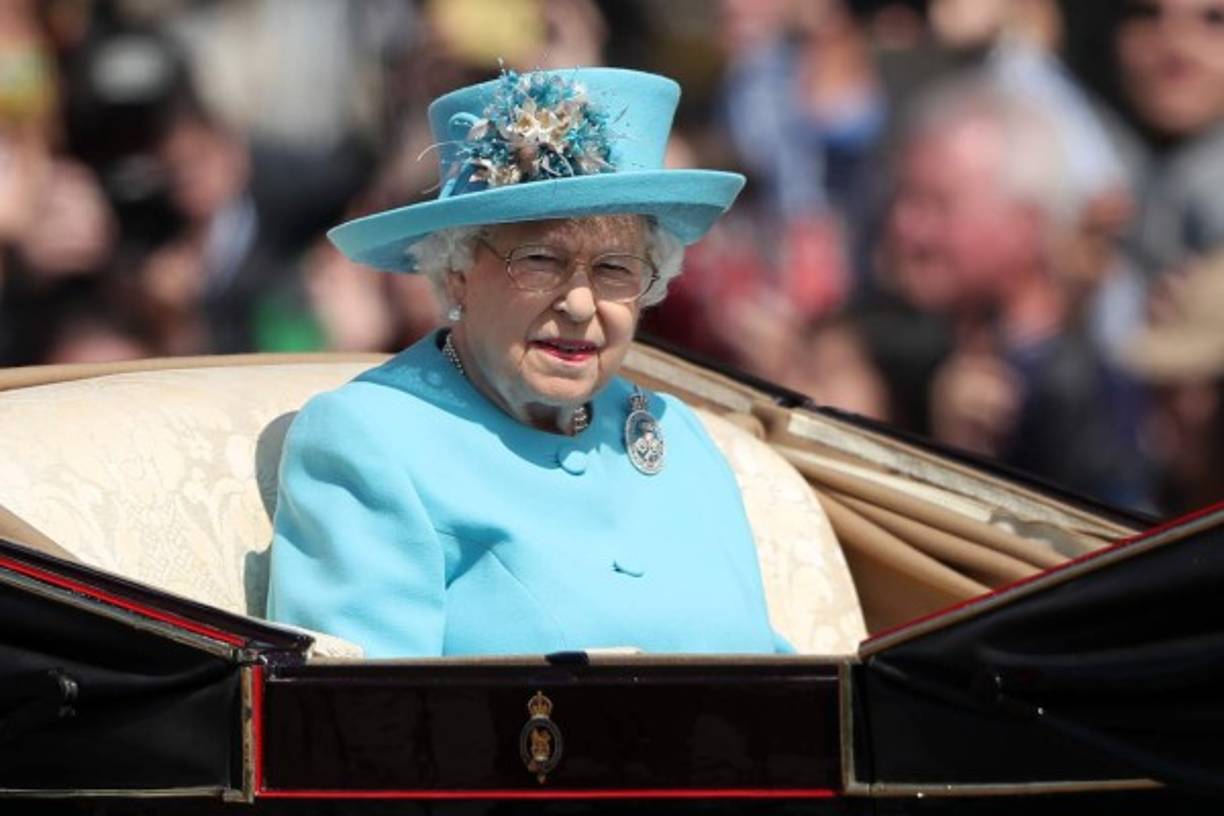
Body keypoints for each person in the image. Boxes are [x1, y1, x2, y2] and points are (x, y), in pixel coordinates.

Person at [266, 67, 789, 657]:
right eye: (540, 260)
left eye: (615, 269)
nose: (580, 303)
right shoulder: (370, 441)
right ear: (458, 273)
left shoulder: (678, 434)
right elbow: (359, 721)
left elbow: (771, 672)